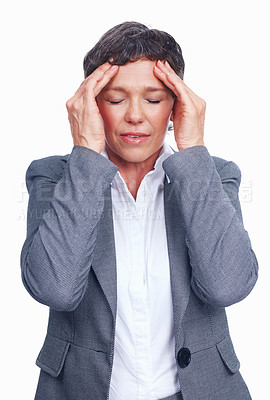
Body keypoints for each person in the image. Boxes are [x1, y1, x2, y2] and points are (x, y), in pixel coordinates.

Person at [20, 21, 258, 400]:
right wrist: (85, 154)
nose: (134, 115)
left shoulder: (215, 175)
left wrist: (194, 150)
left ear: (175, 106)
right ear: (91, 105)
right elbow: (56, 289)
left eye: (153, 99)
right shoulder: (54, 176)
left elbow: (227, 285)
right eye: (115, 99)